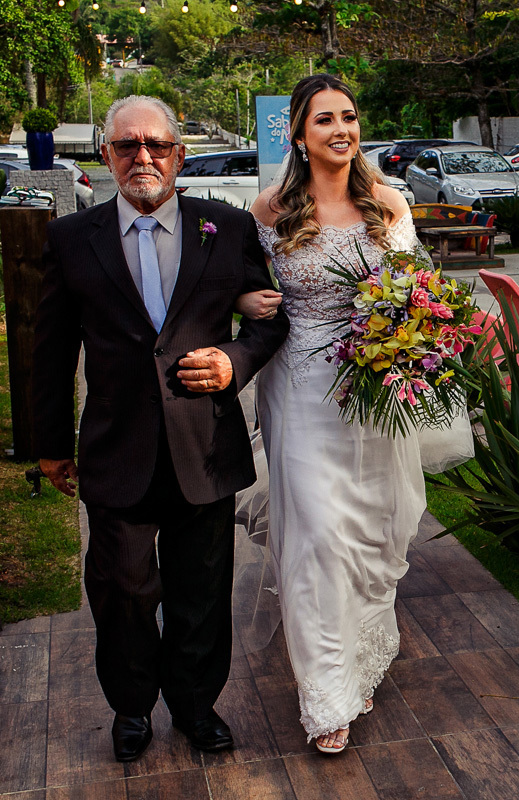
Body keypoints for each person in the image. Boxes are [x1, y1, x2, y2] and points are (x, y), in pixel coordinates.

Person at [32, 95, 289, 762]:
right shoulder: (70, 239)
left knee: (200, 592)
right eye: (125, 146)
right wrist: (51, 446)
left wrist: (234, 362)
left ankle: (197, 707)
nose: (141, 156)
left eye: (155, 144)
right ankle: (131, 707)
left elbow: (270, 318)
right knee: (121, 590)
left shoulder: (226, 229)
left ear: (178, 154)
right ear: (107, 156)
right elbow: (50, 349)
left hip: (202, 448)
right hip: (116, 452)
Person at [239, 73, 470, 755]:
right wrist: (250, 302)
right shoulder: (268, 210)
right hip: (301, 387)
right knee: (315, 539)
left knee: (374, 531)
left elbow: (418, 291)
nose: (341, 130)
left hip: (374, 389)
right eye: (324, 120)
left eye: (349, 117)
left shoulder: (388, 203)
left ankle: (360, 659)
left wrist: (419, 329)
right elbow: (243, 289)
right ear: (300, 135)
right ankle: (328, 695)